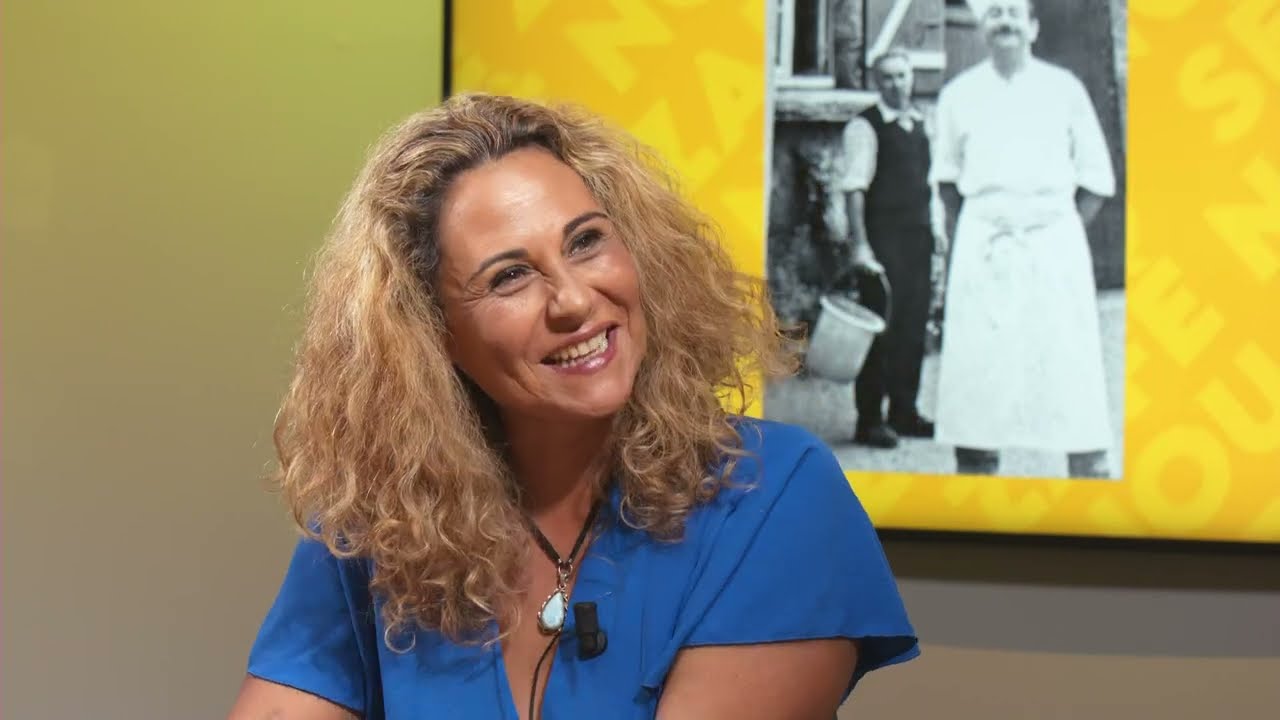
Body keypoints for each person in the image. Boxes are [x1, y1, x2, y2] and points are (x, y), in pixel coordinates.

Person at [228, 93, 918, 720]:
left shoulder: (775, 495)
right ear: (431, 334)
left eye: (586, 241)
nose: (575, 301)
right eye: (510, 276)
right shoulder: (381, 521)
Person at [930, 0, 1116, 477]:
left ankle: (1088, 474)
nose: (1005, 21)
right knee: (979, 366)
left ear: (1032, 28)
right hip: (984, 243)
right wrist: (988, 226)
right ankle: (976, 470)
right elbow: (947, 180)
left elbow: (1097, 180)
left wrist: (1055, 230)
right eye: (994, 13)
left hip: (1053, 243)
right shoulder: (958, 95)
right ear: (982, 28)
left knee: (1066, 361)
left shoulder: (1064, 89)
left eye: (1014, 12)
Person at [836, 48, 938, 449]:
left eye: (902, 76)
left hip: (918, 240)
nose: (897, 84)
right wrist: (860, 246)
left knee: (913, 326)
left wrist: (938, 234)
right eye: (888, 77)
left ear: (912, 78)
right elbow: (854, 189)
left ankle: (904, 411)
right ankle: (869, 420)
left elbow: (929, 187)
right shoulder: (865, 127)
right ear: (877, 82)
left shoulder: (921, 124)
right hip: (882, 241)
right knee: (880, 329)